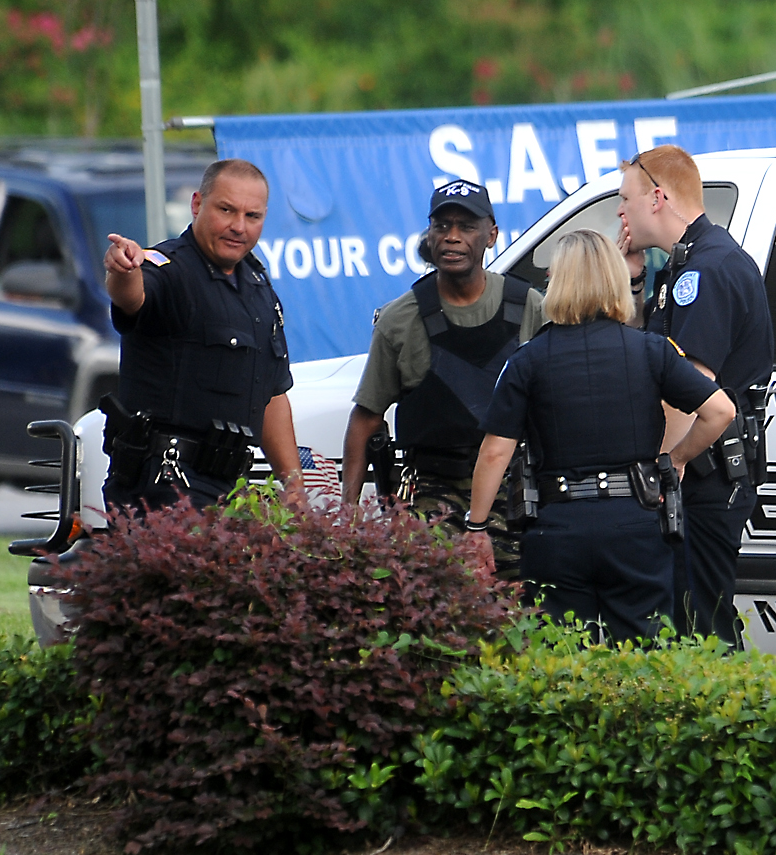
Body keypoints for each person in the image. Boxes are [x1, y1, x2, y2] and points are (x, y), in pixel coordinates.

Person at [466, 229, 735, 642]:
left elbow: (494, 453)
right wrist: (677, 460)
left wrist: (477, 527)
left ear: (558, 283)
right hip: (635, 526)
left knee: (561, 660)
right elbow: (720, 411)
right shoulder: (651, 350)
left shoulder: (528, 360)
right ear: (613, 279)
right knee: (641, 658)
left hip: (555, 529)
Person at [340, 179, 545, 572]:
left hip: (517, 499)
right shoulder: (400, 318)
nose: (452, 237)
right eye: (442, 226)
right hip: (432, 501)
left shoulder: (530, 307)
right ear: (429, 234)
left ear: (492, 235)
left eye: (466, 226)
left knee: (525, 617)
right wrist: (348, 519)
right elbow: (366, 418)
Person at [615, 145, 772, 644]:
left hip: (704, 478)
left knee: (702, 628)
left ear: (656, 198)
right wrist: (634, 281)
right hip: (706, 478)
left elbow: (689, 391)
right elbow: (647, 353)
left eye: (625, 199)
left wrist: (663, 469)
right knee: (691, 620)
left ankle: (731, 723)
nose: (620, 211)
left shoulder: (705, 271)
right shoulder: (684, 267)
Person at [101, 158, 300, 510]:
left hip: (228, 485)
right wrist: (123, 270)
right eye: (226, 210)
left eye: (252, 216)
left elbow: (271, 393)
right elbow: (133, 297)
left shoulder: (257, 287)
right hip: (165, 486)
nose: (238, 226)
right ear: (197, 204)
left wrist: (293, 487)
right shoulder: (171, 268)